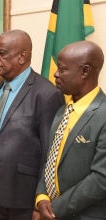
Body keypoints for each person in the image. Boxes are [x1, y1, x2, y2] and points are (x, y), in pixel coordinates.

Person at [0, 29, 65, 220]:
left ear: (22, 57)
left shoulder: (46, 94)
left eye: (2, 53)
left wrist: (39, 202)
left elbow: (50, 155)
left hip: (22, 198)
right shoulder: (1, 86)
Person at [35, 41, 106, 220]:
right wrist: (42, 196)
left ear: (85, 71)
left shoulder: (103, 115)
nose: (55, 73)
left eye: (63, 69)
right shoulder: (62, 111)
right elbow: (49, 159)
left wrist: (55, 209)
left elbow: (100, 179)